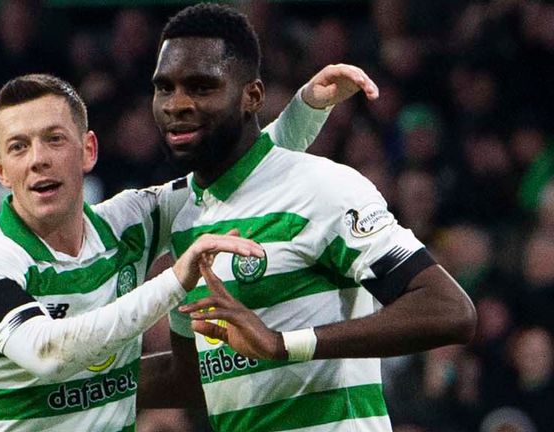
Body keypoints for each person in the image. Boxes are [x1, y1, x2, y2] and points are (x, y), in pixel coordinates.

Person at [0, 58, 378, 431]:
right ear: (1, 170)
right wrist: (176, 281)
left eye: (54, 139)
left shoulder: (128, 224)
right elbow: (46, 351)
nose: (38, 159)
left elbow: (232, 175)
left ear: (88, 150)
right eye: (18, 147)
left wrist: (305, 110)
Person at [132, 4, 475, 432]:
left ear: (251, 96)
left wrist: (282, 344)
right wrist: (50, 392)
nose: (177, 104)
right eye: (164, 88)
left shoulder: (322, 188)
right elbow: (188, 378)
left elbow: (449, 310)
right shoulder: (185, 222)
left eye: (201, 87)